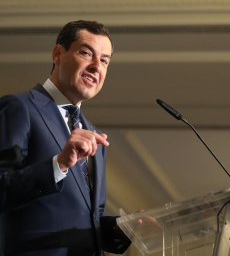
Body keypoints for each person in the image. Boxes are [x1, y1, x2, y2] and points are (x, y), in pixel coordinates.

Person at [0, 20, 131, 256]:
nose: (96, 66)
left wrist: (131, 228)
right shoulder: (19, 108)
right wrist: (58, 164)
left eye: (104, 60)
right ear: (58, 54)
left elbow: (92, 219)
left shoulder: (94, 135)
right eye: (86, 53)